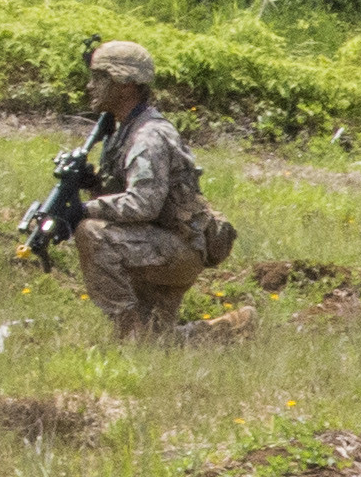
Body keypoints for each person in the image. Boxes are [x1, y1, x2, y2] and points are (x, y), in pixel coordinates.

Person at [66, 41, 237, 338]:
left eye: (99, 77)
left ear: (125, 85)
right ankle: (230, 330)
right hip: (156, 245)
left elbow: (143, 204)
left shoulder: (149, 136)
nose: (89, 86)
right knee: (159, 342)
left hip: (174, 250)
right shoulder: (123, 130)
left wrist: (82, 210)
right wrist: (92, 184)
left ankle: (129, 334)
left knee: (91, 232)